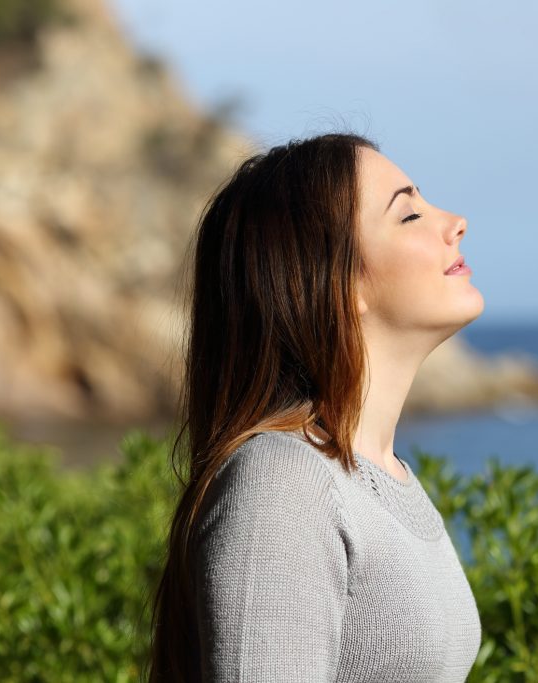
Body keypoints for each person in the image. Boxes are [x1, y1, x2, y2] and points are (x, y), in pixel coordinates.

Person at [145, 132, 485, 682]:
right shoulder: (283, 484)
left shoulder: (384, 478)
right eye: (409, 215)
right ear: (337, 281)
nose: (456, 221)